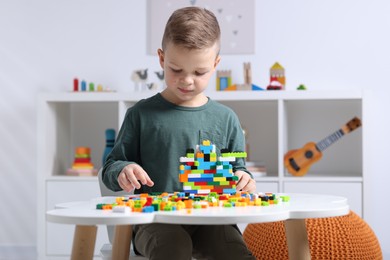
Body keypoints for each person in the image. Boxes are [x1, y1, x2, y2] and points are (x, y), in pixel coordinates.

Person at [103, 6, 256, 260]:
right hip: (154, 220)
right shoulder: (140, 115)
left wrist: (243, 177)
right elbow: (111, 166)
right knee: (172, 249)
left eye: (199, 72)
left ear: (215, 64)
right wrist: (123, 170)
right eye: (176, 70)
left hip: (212, 219)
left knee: (234, 253)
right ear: (162, 59)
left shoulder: (227, 119)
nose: (187, 80)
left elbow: (239, 168)